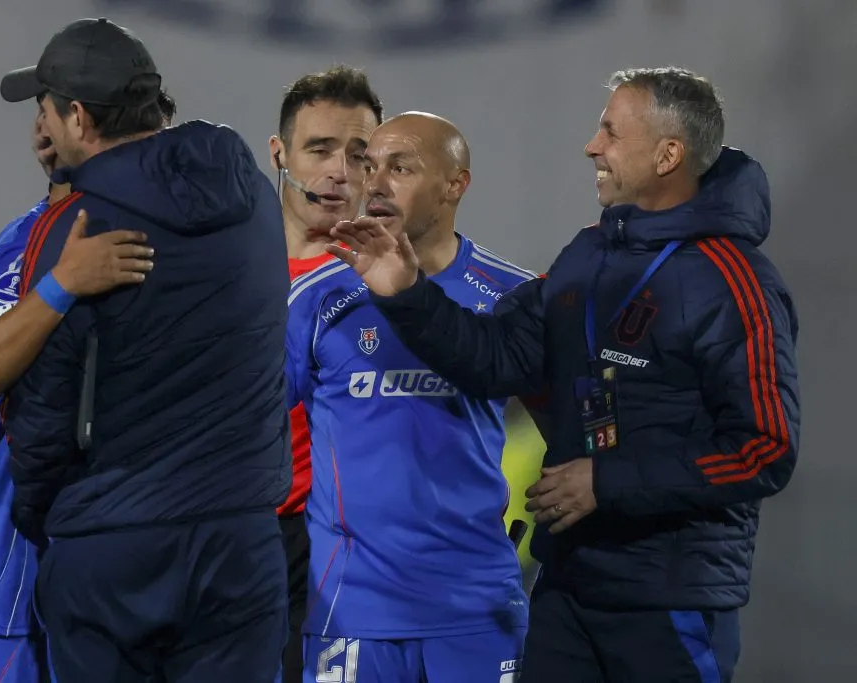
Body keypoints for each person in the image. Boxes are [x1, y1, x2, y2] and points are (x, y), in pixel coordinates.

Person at [330, 67, 800, 683]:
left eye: (610, 130)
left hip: (669, 599)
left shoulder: (734, 282)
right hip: (570, 586)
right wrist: (407, 291)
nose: (591, 146)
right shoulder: (590, 253)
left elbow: (764, 448)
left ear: (668, 154)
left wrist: (608, 481)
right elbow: (497, 357)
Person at [0, 17, 291, 682]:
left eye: (44, 107)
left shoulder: (77, 226)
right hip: (240, 541)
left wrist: (48, 518)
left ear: (76, 116)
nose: (39, 125)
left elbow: (42, 411)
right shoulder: (248, 189)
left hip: (111, 547)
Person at [0, 96, 167, 681]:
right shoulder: (22, 245)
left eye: (55, 109)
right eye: (43, 109)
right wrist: (65, 284)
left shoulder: (152, 240)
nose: (40, 123)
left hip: (95, 588)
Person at [287, 111, 535, 682]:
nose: (374, 183)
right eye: (369, 166)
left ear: (456, 184)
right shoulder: (315, 297)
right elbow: (243, 424)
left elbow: (574, 427)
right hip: (351, 612)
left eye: (400, 167)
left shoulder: (513, 295)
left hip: (476, 610)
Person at [268, 65, 383, 683]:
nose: (341, 171)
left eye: (360, 153)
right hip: (228, 538)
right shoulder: (224, 273)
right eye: (320, 149)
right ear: (279, 153)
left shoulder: (399, 284)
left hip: (339, 551)